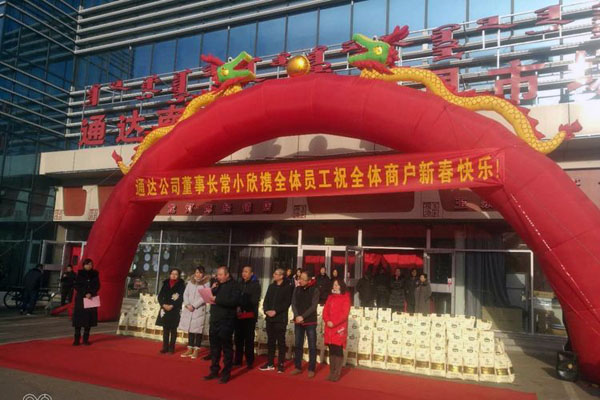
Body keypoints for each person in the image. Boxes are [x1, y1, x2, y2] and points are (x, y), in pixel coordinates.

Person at [204, 266, 241, 384]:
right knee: (214, 348)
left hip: (226, 321)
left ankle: (226, 373)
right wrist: (211, 289)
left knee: (226, 348)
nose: (218, 277)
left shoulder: (235, 285)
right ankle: (214, 370)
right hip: (214, 319)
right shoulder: (217, 285)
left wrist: (217, 299)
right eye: (217, 275)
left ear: (227, 275)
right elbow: (209, 298)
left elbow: (234, 301)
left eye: (220, 275)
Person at [259, 268, 293, 373]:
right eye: (274, 273)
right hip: (270, 318)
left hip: (280, 318)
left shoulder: (287, 287)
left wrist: (276, 311)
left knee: (281, 341)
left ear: (281, 276)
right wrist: (266, 310)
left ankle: (281, 363)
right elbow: (266, 300)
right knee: (271, 341)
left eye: (276, 274)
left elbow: (287, 303)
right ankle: (270, 363)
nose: (274, 275)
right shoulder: (271, 286)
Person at [290, 271, 320, 378]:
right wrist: (297, 316)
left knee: (312, 345)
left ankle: (311, 368)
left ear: (309, 280)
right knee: (298, 344)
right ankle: (297, 366)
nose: (300, 281)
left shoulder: (315, 290)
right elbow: (293, 303)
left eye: (303, 279)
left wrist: (303, 316)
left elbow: (313, 306)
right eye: (300, 278)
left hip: (310, 321)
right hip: (298, 321)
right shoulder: (297, 289)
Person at [323, 279, 351, 382]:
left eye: (337, 285)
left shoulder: (345, 297)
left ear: (341, 286)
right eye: (334, 285)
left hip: (339, 328)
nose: (335, 286)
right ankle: (331, 372)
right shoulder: (330, 297)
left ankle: (337, 373)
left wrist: (334, 322)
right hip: (329, 327)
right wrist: (327, 320)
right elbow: (325, 311)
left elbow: (344, 314)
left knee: (338, 349)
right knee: (331, 349)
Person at [179, 266, 210, 359]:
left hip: (198, 309)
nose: (198, 274)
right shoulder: (190, 282)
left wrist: (194, 305)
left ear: (203, 274)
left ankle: (196, 350)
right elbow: (185, 293)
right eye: (197, 272)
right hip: (189, 308)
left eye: (200, 273)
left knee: (198, 330)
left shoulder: (206, 283)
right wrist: (187, 304)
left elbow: (204, 297)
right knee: (190, 329)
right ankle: (189, 348)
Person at [234, 265, 261, 369]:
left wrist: (242, 307)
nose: (244, 274)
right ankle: (238, 360)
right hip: (239, 315)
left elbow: (254, 300)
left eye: (246, 272)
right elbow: (236, 296)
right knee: (238, 339)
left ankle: (250, 361)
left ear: (251, 273)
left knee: (249, 339)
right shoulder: (239, 283)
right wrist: (237, 307)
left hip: (249, 315)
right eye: (243, 272)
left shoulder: (255, 285)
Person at [156, 268, 185, 354]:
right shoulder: (165, 283)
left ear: (178, 275)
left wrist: (172, 305)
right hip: (164, 309)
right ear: (170, 274)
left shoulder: (181, 285)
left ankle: (171, 348)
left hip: (174, 309)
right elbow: (160, 296)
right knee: (165, 329)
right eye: (172, 274)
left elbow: (181, 298)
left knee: (173, 329)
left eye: (176, 274)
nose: (174, 275)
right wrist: (163, 305)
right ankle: (165, 347)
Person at [72, 259, 100, 346]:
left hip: (91, 298)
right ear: (84, 265)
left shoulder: (95, 274)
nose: (89, 266)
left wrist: (91, 293)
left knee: (89, 319)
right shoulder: (79, 274)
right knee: (79, 319)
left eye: (91, 264)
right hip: (81, 299)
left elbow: (97, 285)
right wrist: (85, 293)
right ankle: (76, 339)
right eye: (87, 264)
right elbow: (77, 285)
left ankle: (85, 339)